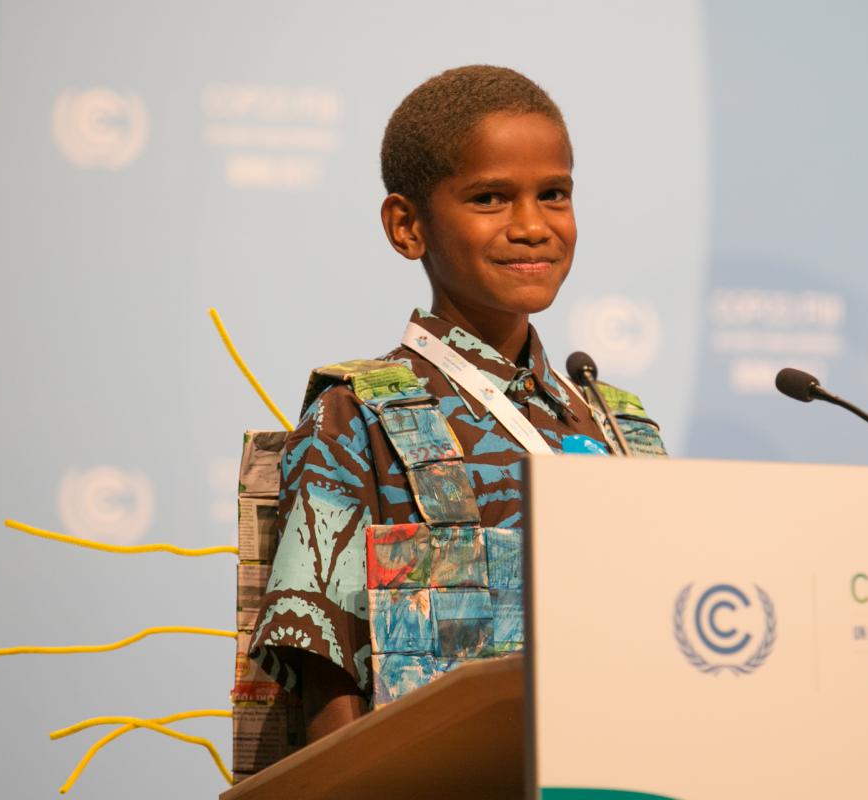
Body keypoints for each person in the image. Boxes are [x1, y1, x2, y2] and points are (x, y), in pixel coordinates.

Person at [248, 65, 667, 744]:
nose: (533, 226)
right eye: (491, 199)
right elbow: (328, 686)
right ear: (407, 226)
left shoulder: (621, 427)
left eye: (553, 194)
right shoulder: (358, 417)